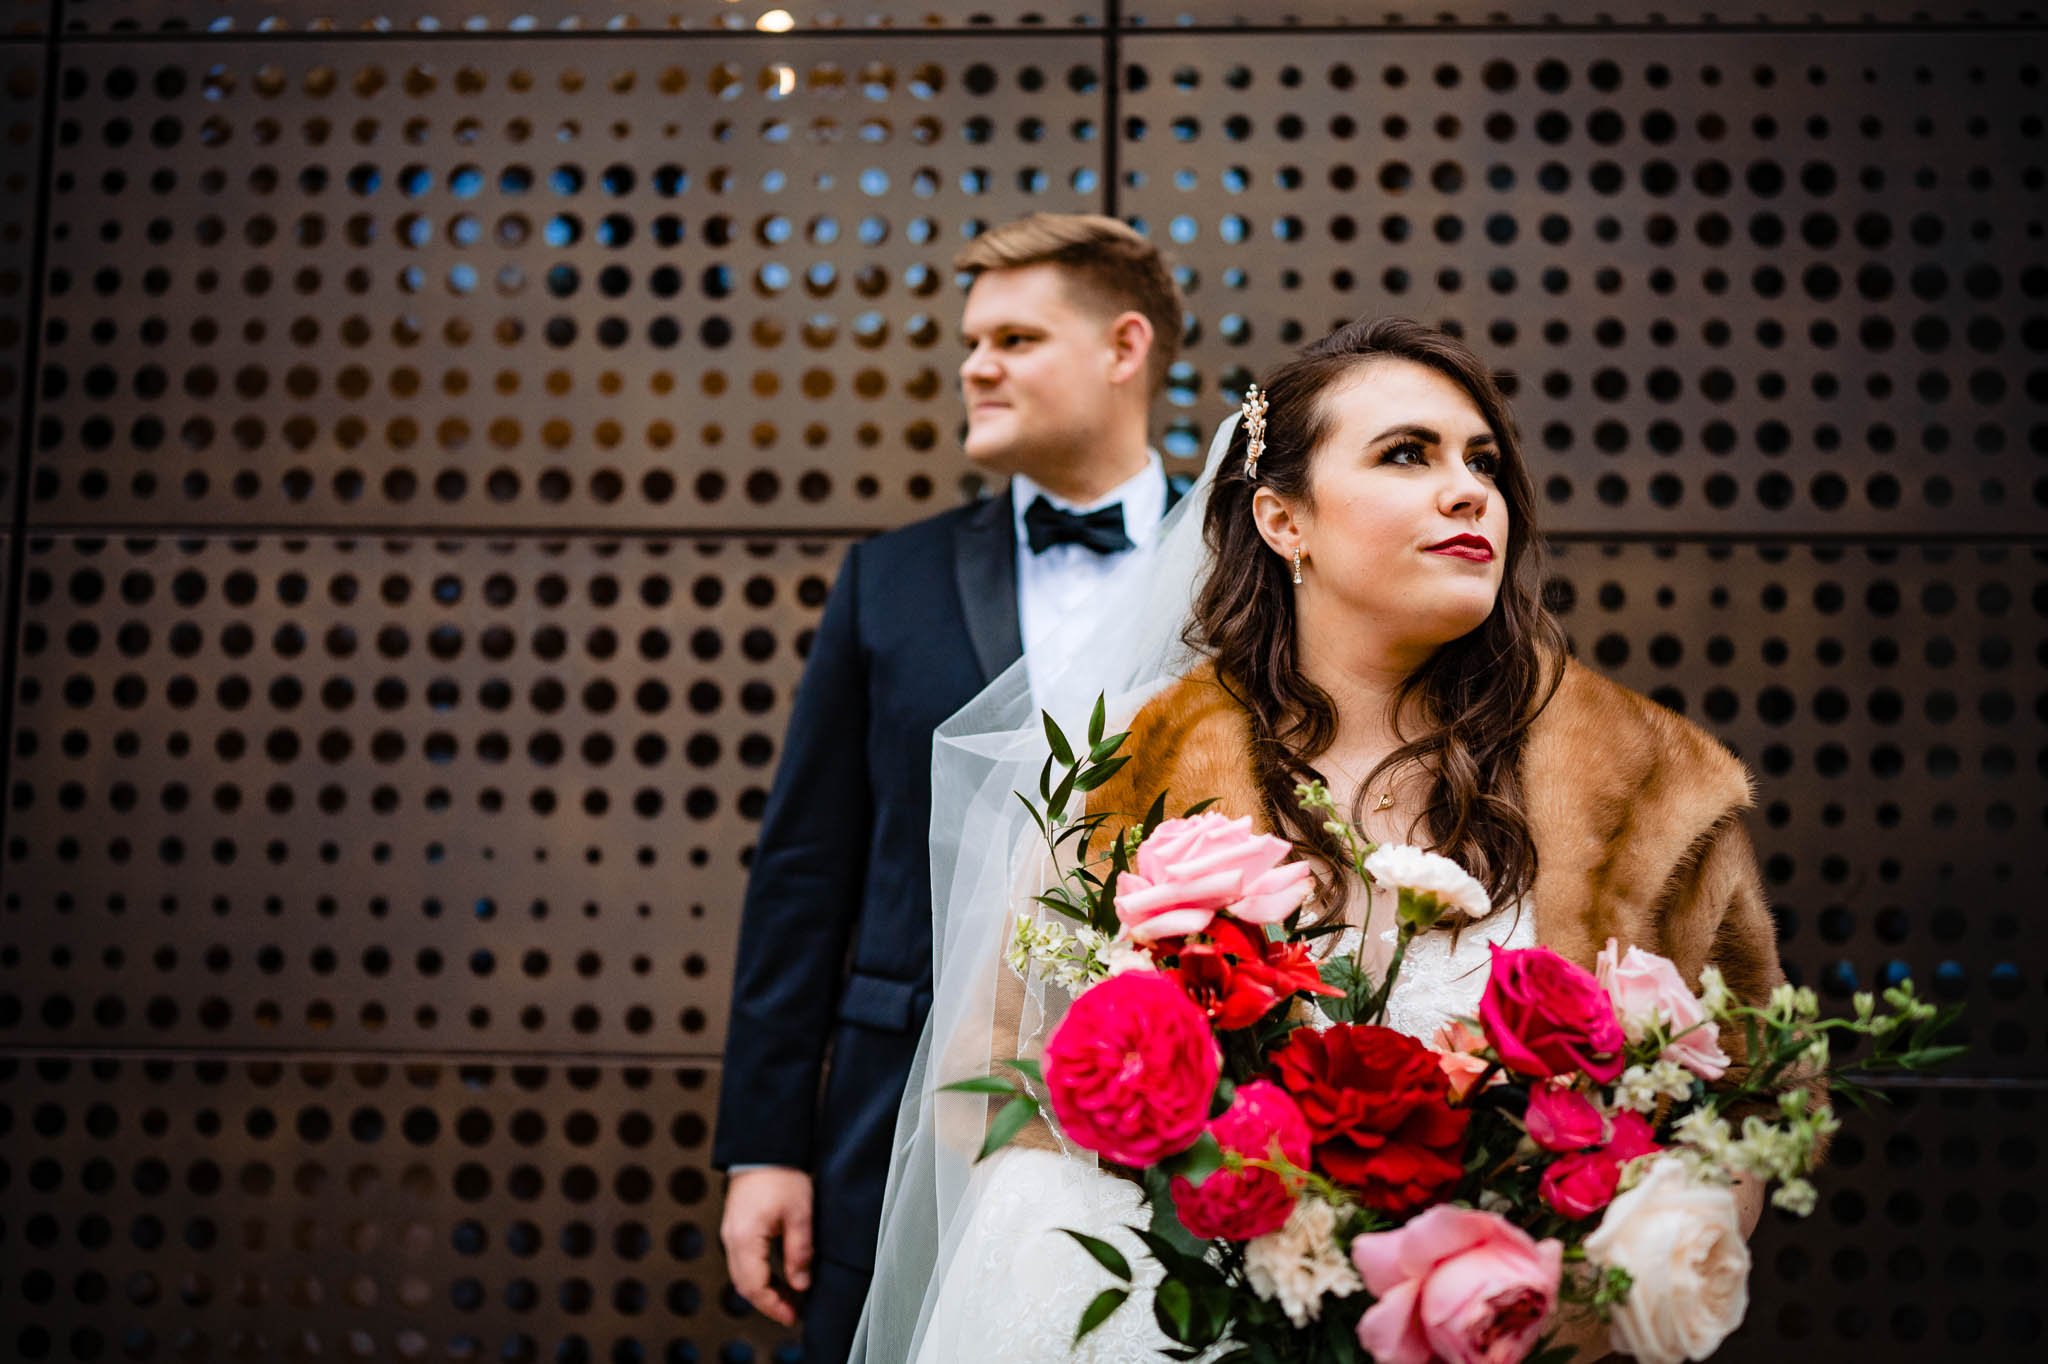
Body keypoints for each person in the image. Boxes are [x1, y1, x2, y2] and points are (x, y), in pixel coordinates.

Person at [858, 317, 1791, 1362]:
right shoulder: (1133, 771)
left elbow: (1745, 1109)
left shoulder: (1648, 790)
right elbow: (1002, 1073)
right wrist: (1220, 1266)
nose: (1467, 488)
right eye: (1407, 453)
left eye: (1481, 459)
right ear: (1280, 518)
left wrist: (1538, 1292)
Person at [712, 212, 1189, 1363]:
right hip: (894, 1114)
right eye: (972, 340)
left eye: (1015, 337)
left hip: (1179, 1111)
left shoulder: (1251, 571)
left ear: (1123, 347)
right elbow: (803, 870)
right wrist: (764, 1143)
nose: (975, 364)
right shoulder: (890, 575)